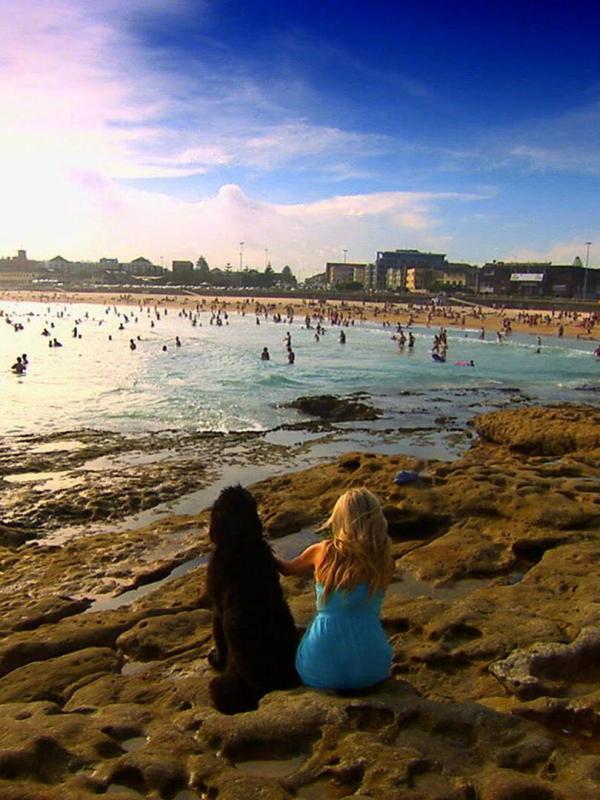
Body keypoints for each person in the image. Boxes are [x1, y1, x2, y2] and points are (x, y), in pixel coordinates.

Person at [275, 487, 394, 691]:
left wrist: (260, 547)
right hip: (373, 670)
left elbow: (287, 570)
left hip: (319, 670)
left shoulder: (320, 551)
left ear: (339, 519)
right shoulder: (385, 561)